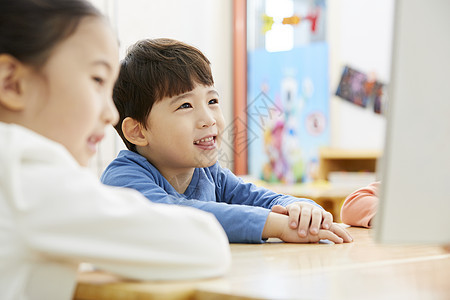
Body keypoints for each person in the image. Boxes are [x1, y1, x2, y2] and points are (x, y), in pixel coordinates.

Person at [0, 1, 231, 299]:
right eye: (97, 80)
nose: (111, 114)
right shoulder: (27, 174)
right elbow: (206, 245)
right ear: (12, 84)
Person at [101, 38, 353, 244]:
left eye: (212, 101)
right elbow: (178, 215)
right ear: (138, 131)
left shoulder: (209, 173)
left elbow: (256, 197)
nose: (209, 119)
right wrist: (274, 225)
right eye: (185, 105)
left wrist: (297, 207)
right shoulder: (123, 179)